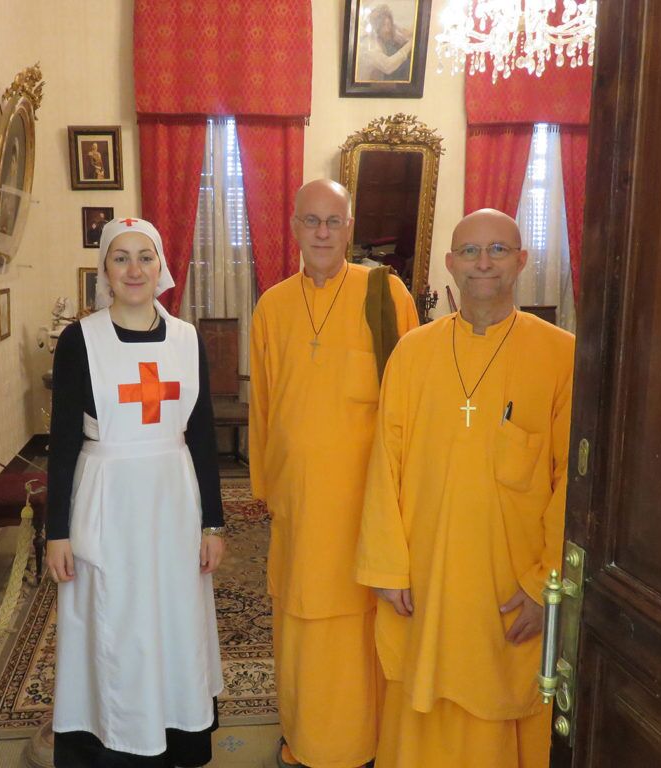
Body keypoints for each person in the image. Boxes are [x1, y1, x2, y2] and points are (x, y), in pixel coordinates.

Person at [356, 209, 575, 768]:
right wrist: (386, 568)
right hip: (424, 575)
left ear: (522, 260)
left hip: (508, 582)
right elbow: (386, 464)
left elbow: (569, 483)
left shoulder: (561, 354)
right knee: (419, 702)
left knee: (497, 701)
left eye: (498, 250)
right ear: (450, 264)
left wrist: (542, 587)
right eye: (471, 252)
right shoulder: (413, 352)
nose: (484, 263)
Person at [250, 179, 419, 768]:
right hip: (298, 504)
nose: (322, 232)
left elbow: (408, 403)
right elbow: (264, 406)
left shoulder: (384, 293)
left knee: (358, 632)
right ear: (294, 227)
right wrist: (269, 490)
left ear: (349, 228)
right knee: (298, 623)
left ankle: (360, 745)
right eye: (311, 221)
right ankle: (304, 739)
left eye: (333, 221)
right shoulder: (271, 305)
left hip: (363, 505)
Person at [46, 217, 226, 768]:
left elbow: (201, 434)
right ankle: (113, 741)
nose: (134, 269)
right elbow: (61, 439)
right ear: (104, 270)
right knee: (113, 618)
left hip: (173, 501)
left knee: (173, 616)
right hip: (107, 501)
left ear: (161, 266)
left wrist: (213, 523)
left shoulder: (186, 339)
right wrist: (58, 532)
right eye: (120, 258)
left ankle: (175, 733)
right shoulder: (81, 339)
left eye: (144, 257)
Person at [355, 4, 413, 82]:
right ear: (376, 26)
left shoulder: (384, 36)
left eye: (388, 25)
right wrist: (410, 44)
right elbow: (388, 66)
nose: (387, 30)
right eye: (383, 26)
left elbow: (403, 31)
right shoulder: (371, 45)